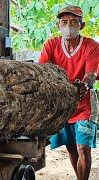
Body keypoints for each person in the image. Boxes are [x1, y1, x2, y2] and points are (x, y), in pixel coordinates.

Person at [39, 5, 99, 180]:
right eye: (64, 22)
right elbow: (43, 71)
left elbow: (90, 75)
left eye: (73, 22)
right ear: (59, 25)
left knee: (83, 147)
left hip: (84, 103)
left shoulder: (92, 46)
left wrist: (84, 85)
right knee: (71, 147)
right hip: (63, 105)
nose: (68, 26)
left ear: (82, 25)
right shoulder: (51, 45)